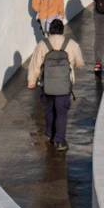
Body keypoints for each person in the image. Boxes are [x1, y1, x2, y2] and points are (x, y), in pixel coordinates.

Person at [26, 19, 84, 151]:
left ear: (50, 31)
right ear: (62, 30)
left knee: (49, 111)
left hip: (47, 86)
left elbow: (35, 65)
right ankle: (59, 141)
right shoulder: (71, 44)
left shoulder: (42, 44)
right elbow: (80, 63)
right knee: (61, 113)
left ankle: (49, 133)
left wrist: (31, 81)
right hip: (64, 86)